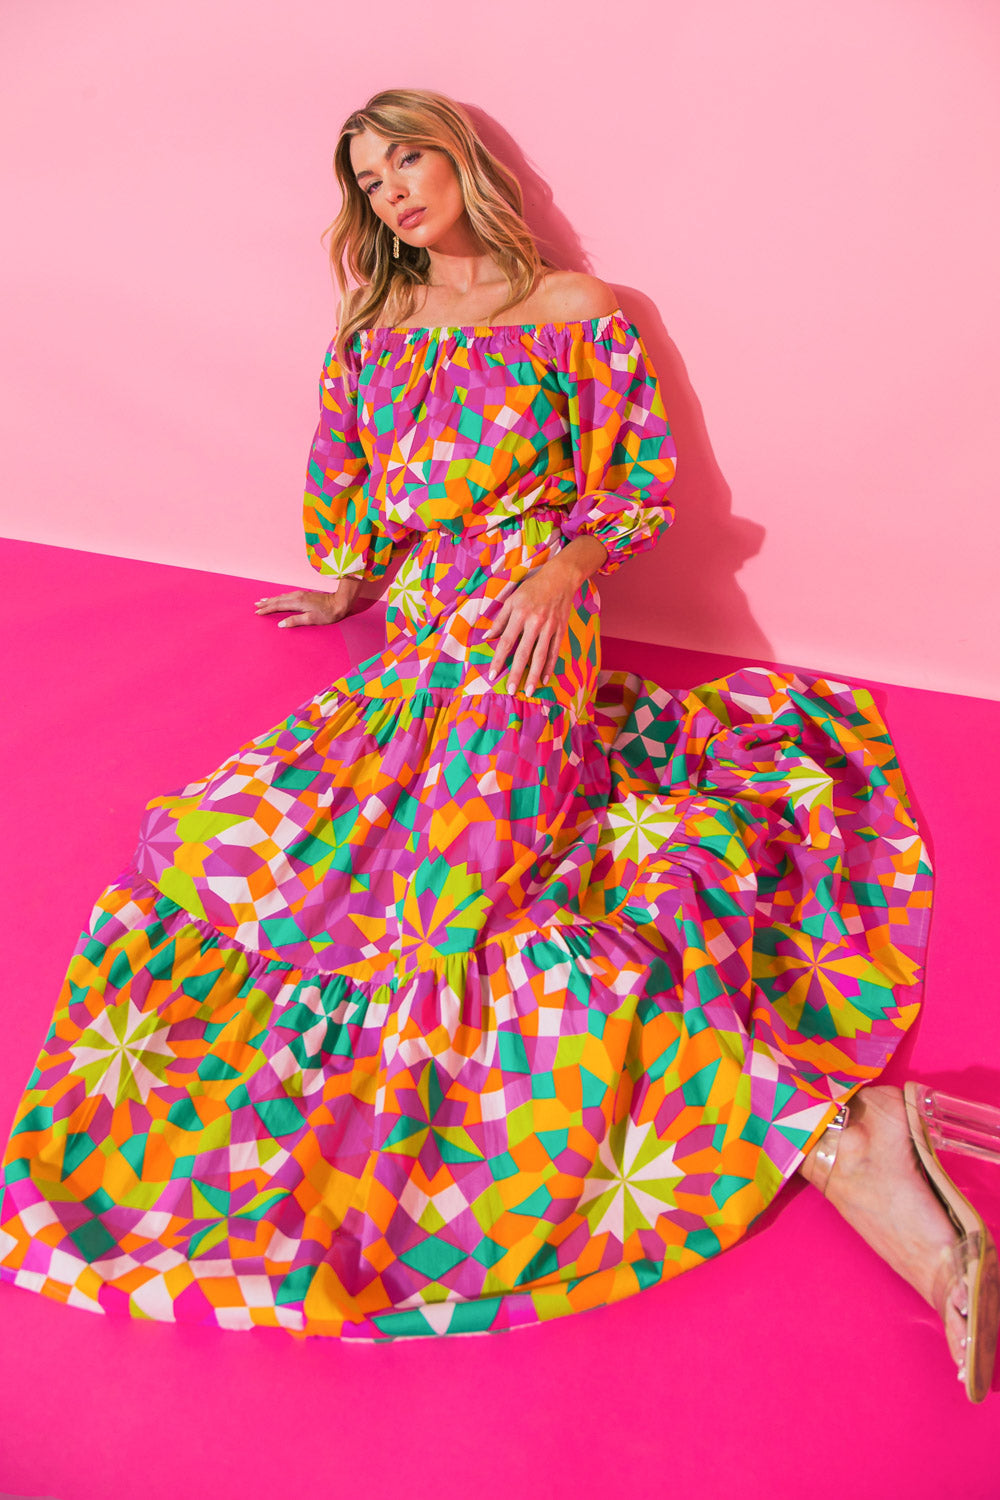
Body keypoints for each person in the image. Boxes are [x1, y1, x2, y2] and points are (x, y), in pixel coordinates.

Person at [1, 86, 997, 1401]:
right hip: (419, 637)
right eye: (370, 181)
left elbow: (633, 483)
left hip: (530, 627)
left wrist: (565, 571)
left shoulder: (575, 310)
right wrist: (350, 590)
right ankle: (854, 1133)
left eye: (407, 159)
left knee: (457, 905)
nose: (393, 192)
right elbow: (352, 503)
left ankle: (866, 1169)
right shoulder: (374, 333)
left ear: (461, 160)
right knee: (240, 842)